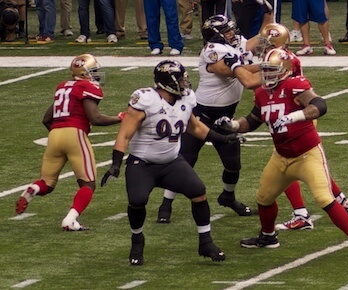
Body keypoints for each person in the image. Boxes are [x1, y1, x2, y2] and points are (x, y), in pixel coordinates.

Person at [214, 48, 348, 257]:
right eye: (266, 70)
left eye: (272, 70)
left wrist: (293, 117)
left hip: (307, 155)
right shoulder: (262, 92)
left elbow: (319, 105)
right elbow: (252, 120)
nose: (267, 74)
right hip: (281, 157)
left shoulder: (295, 85)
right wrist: (233, 125)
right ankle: (268, 236)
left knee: (324, 198)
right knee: (264, 197)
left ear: (285, 70)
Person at [101, 60, 236, 266]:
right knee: (137, 200)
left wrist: (223, 138)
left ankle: (206, 242)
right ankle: (137, 240)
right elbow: (125, 134)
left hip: (172, 162)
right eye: (180, 79)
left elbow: (195, 127)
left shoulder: (187, 98)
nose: (184, 83)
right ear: (167, 82)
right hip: (143, 163)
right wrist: (116, 163)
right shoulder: (145, 100)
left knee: (198, 191)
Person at [155, 12, 274, 223]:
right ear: (216, 35)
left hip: (225, 116)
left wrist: (268, 17)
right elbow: (238, 74)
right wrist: (271, 68)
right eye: (227, 31)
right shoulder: (212, 51)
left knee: (233, 164)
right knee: (185, 160)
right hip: (201, 115)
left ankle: (228, 196)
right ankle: (166, 204)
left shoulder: (232, 45)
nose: (232, 33)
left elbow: (260, 39)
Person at [251, 23, 348, 230]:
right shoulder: (278, 57)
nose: (260, 44)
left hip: (295, 112)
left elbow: (256, 82)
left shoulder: (281, 61)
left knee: (288, 161)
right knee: (298, 163)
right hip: (290, 111)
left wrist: (235, 70)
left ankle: (301, 212)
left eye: (265, 41)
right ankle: (341, 199)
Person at [16, 54, 123, 231]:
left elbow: (46, 119)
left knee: (47, 183)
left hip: (55, 135)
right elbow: (95, 118)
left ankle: (33, 188)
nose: (96, 74)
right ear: (83, 73)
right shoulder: (87, 87)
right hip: (75, 134)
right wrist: (119, 118)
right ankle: (70, 219)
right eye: (93, 71)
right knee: (88, 183)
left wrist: (60, 135)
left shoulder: (62, 87)